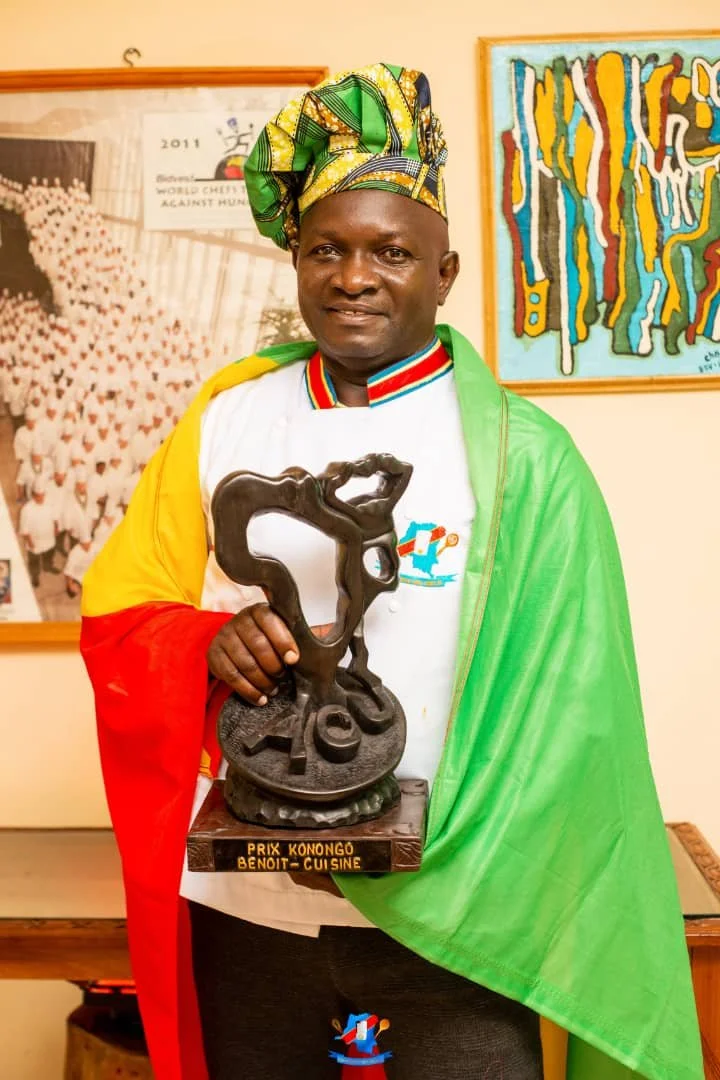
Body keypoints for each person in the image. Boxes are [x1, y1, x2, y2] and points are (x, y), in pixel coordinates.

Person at [81, 64, 702, 1080]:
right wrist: (206, 643)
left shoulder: (523, 458)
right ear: (296, 260)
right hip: (253, 912)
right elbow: (119, 620)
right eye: (326, 248)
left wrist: (438, 850)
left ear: (445, 272)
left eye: (391, 252)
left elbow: (575, 721)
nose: (354, 277)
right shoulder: (226, 421)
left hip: (461, 913)